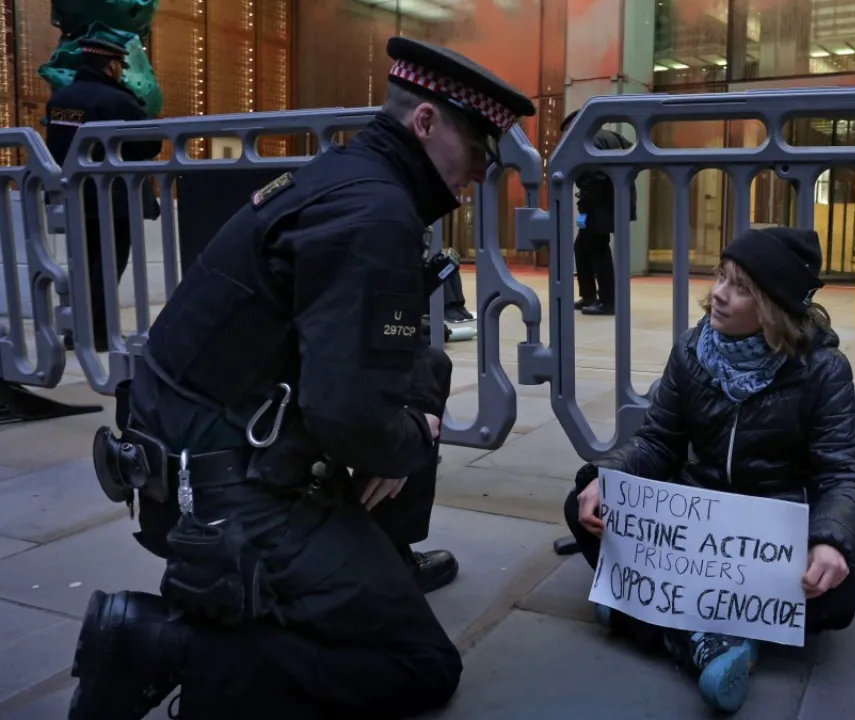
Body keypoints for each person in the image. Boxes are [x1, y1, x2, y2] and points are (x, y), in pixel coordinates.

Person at [69, 37, 535, 719]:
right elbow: (347, 415)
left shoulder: (346, 177)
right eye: (475, 151)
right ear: (426, 123)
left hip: (194, 452)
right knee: (420, 666)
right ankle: (167, 650)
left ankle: (370, 563)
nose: (476, 176)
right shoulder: (374, 213)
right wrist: (411, 439)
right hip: (226, 495)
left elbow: (367, 367)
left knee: (422, 372)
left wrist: (400, 425)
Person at [563, 227, 855, 713]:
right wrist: (606, 479)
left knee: (842, 592)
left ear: (772, 306)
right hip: (695, 529)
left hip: (769, 536)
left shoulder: (821, 370)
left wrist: (831, 541)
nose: (717, 294)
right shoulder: (692, 351)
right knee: (583, 505)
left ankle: (650, 617)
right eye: (721, 277)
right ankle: (706, 637)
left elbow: (845, 473)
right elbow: (657, 440)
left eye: (740, 287)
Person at [44, 37, 161, 352]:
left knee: (81, 265)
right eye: (120, 66)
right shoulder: (118, 101)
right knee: (107, 268)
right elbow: (150, 144)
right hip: (114, 199)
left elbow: (57, 145)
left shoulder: (62, 100)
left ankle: (77, 331)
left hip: (74, 195)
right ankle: (99, 334)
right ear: (112, 66)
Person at [561, 108, 636, 316]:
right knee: (583, 246)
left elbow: (596, 177)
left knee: (598, 249)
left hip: (600, 205)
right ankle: (589, 295)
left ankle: (607, 301)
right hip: (615, 201)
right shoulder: (611, 136)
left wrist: (585, 200)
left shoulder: (591, 139)